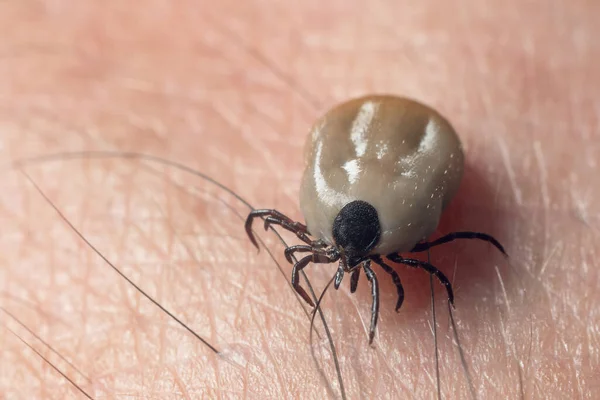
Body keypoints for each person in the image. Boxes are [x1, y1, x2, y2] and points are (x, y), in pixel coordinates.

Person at [0, 1, 596, 398]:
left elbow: (432, 270)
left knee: (401, 272)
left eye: (348, 263)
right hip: (355, 211)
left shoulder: (370, 241)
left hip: (378, 203)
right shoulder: (340, 236)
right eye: (342, 260)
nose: (345, 270)